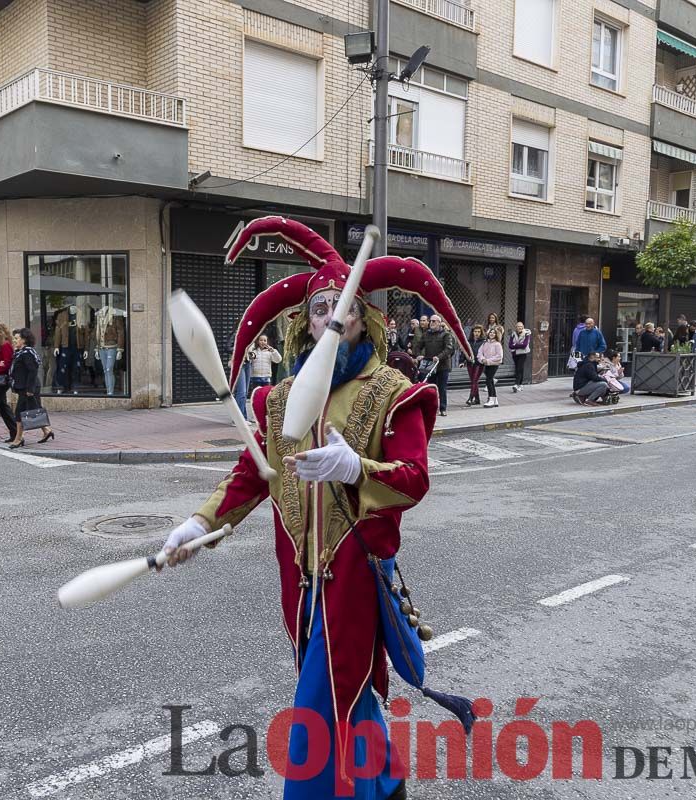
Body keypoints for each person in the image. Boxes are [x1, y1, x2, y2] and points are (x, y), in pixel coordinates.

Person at [159, 217, 472, 800]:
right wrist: (201, 523)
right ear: (307, 321)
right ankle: (387, 784)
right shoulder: (278, 399)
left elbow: (414, 479)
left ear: (362, 317)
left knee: (317, 707)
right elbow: (255, 473)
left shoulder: (393, 394)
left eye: (344, 304)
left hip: (354, 581)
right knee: (345, 697)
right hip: (298, 584)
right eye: (320, 306)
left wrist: (357, 469)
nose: (332, 314)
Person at [8, 327, 53, 448]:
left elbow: (33, 371)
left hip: (28, 387)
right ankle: (47, 431)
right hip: (24, 387)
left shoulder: (27, 353)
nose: (14, 340)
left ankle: (18, 439)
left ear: (24, 340)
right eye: (14, 338)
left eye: (16, 338)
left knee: (19, 413)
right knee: (34, 409)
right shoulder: (20, 353)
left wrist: (29, 389)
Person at [413, 314, 454, 415]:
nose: (431, 323)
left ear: (439, 323)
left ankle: (443, 408)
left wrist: (439, 357)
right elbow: (418, 346)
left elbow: (449, 349)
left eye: (434, 321)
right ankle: (431, 408)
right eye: (431, 321)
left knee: (442, 387)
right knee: (430, 387)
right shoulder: (426, 334)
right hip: (430, 365)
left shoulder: (446, 334)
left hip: (443, 366)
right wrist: (418, 355)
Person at [477, 328, 504, 408]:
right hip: (486, 364)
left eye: (494, 333)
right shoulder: (485, 343)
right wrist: (482, 359)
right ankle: (495, 399)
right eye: (490, 332)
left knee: (488, 380)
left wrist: (488, 360)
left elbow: (499, 356)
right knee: (490, 381)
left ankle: (491, 399)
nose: (492, 334)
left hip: (494, 364)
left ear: (496, 335)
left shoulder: (497, 344)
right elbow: (479, 353)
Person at [463, 324, 485, 407]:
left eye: (479, 331)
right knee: (473, 381)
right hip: (470, 363)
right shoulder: (469, 341)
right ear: (472, 332)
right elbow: (465, 351)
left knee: (474, 380)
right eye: (475, 331)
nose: (477, 333)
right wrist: (462, 361)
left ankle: (470, 398)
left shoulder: (483, 342)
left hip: (479, 363)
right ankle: (477, 399)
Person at [508, 321, 531, 392]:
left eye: (521, 326)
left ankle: (516, 384)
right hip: (515, 354)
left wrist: (515, 345)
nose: (519, 328)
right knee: (519, 369)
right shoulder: (513, 334)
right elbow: (510, 345)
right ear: (516, 327)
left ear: (523, 327)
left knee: (519, 368)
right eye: (518, 326)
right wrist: (518, 345)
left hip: (522, 353)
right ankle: (520, 385)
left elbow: (524, 345)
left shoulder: (527, 333)